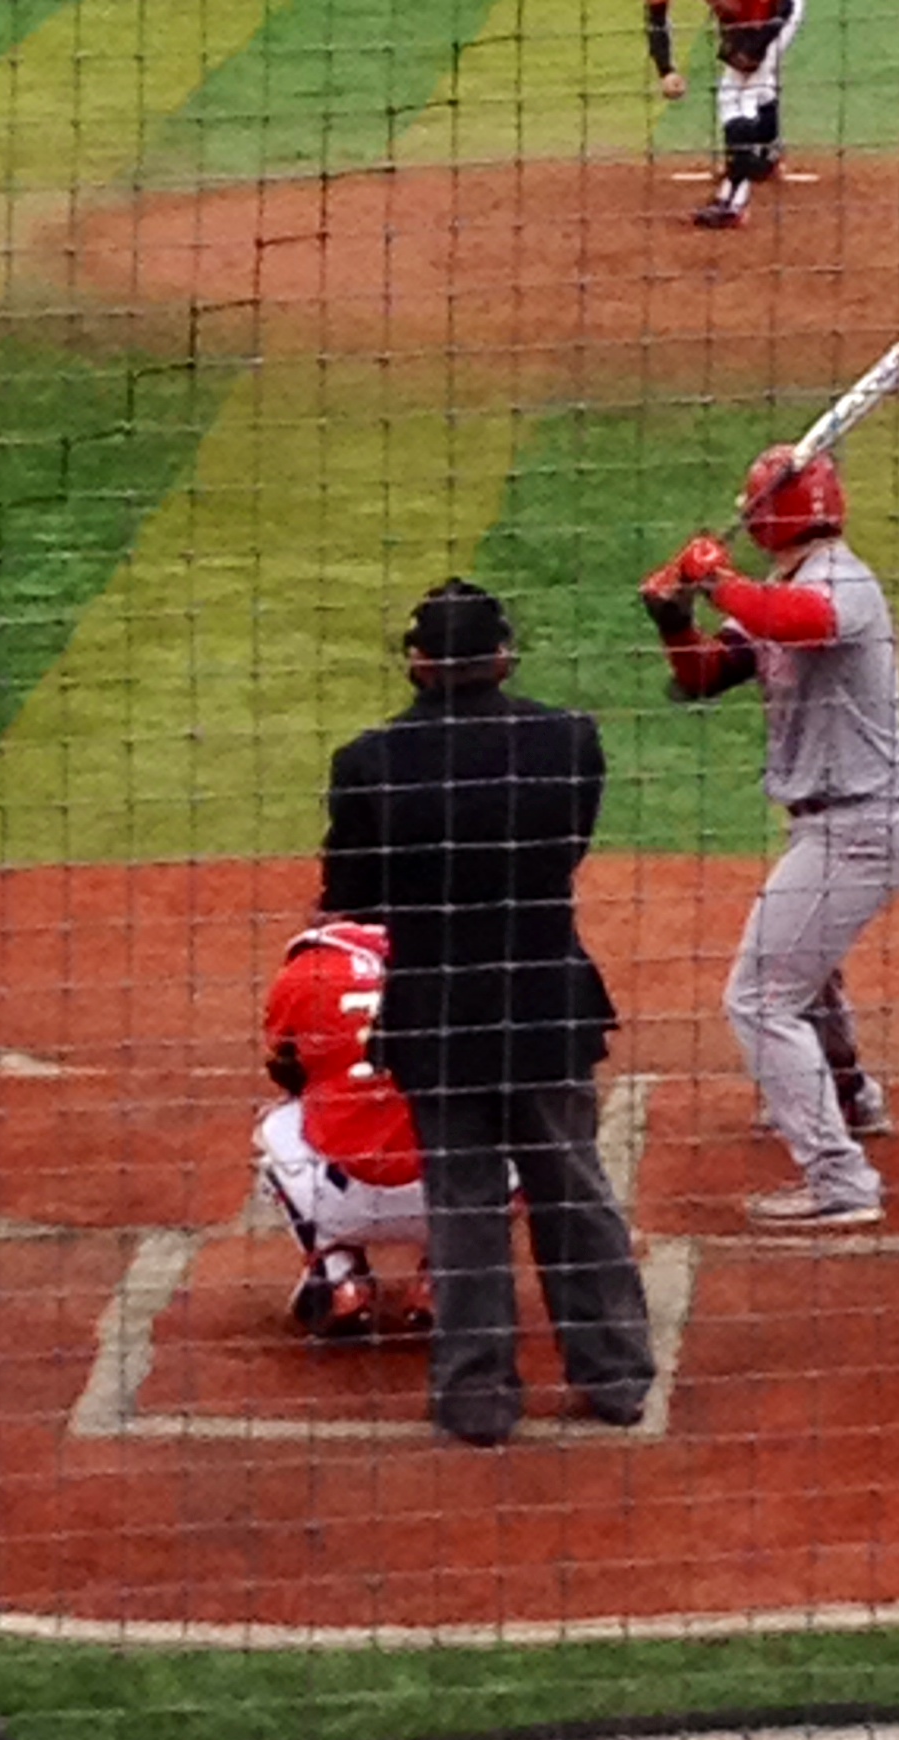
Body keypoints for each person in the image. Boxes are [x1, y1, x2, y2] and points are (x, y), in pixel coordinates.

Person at [319, 578, 657, 1447]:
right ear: (503, 654)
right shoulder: (567, 740)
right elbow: (566, 849)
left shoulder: (368, 762)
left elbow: (352, 897)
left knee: (464, 1209)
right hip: (542, 1000)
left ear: (418, 664)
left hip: (438, 1012)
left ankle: (477, 1397)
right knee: (573, 1188)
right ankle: (615, 1375)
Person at [640, 444, 899, 1227]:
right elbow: (700, 676)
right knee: (805, 974)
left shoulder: (841, 582)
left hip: (859, 828)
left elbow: (803, 623)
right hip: (834, 830)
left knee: (759, 1000)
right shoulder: (779, 588)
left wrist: (715, 577)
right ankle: (850, 1097)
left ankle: (840, 1182)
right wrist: (674, 616)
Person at [256, 920, 433, 1342]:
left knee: (276, 1122)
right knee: (516, 1121)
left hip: (340, 1198)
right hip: (454, 1197)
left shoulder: (308, 969)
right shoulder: (449, 951)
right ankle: (446, 1280)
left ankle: (339, 1278)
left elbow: (284, 1068)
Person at [645, 0, 806, 229]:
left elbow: (768, 13)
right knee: (753, 81)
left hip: (778, 11)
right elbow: (656, 17)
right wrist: (666, 70)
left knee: (741, 93)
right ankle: (767, 155)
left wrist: (753, 45)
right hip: (751, 13)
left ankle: (734, 204)